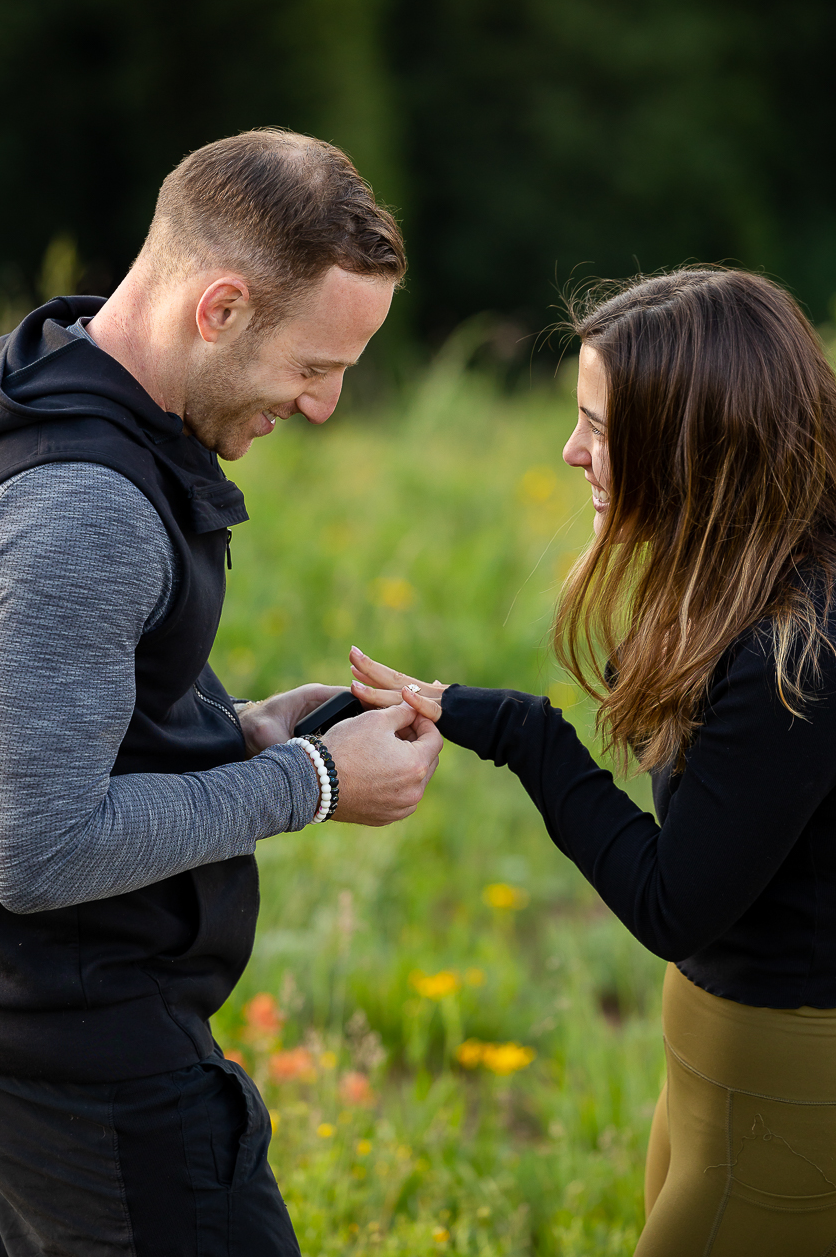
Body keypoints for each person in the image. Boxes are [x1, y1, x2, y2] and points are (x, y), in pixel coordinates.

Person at [0, 129, 442, 1257]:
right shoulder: (84, 506)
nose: (325, 406)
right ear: (221, 308)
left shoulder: (32, 381)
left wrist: (235, 731)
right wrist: (314, 780)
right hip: (77, 1058)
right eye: (316, 366)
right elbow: (37, 847)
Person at [349, 267, 836, 1255]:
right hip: (718, 1055)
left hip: (780, 1074)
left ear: (695, 443)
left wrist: (529, 735)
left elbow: (673, 902)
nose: (572, 452)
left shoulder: (796, 649)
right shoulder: (754, 578)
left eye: (600, 427)